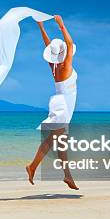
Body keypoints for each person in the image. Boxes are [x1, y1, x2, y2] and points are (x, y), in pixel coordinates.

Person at [26, 15, 79, 190]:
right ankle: (33, 166)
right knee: (53, 140)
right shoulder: (65, 66)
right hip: (64, 106)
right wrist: (61, 25)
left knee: (58, 140)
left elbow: (48, 46)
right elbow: (70, 44)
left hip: (60, 103)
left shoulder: (55, 66)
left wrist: (41, 27)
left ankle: (67, 176)